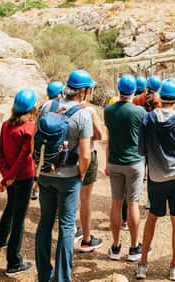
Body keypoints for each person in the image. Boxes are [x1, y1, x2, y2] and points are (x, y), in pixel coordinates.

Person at [34, 69, 95, 282]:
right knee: (67, 225)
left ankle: (44, 275)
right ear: (83, 91)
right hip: (69, 177)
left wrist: (39, 167)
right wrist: (81, 174)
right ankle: (62, 278)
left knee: (45, 222)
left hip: (45, 173)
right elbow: (85, 155)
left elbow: (35, 139)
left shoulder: (47, 106)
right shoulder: (83, 115)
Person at [136, 78, 175, 281]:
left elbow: (141, 149)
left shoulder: (148, 119)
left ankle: (143, 264)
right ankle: (174, 266)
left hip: (156, 177)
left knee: (152, 216)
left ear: (160, 97)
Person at [0, 89, 38, 276]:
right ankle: (14, 263)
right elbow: (23, 158)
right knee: (19, 219)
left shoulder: (6, 125)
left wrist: (6, 176)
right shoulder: (30, 129)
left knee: (10, 207)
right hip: (24, 177)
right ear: (33, 108)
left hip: (12, 177)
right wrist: (8, 177)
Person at [104, 74, 147, 263]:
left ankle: (115, 247)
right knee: (133, 204)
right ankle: (134, 247)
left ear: (118, 89)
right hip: (134, 163)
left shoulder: (108, 111)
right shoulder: (140, 112)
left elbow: (109, 136)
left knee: (116, 203)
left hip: (114, 162)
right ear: (134, 91)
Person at [77, 88, 107, 253]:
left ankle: (71, 231)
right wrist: (86, 137)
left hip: (68, 156)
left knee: (70, 195)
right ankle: (86, 239)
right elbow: (100, 135)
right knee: (85, 199)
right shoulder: (89, 110)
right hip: (87, 153)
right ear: (86, 91)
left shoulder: (60, 107)